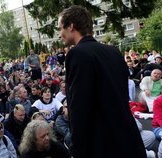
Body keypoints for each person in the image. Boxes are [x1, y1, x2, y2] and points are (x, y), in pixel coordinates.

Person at [59, 5, 146, 157]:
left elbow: (79, 108)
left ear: (71, 26)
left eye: (61, 28)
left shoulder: (76, 54)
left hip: (102, 145)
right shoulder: (113, 51)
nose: (60, 34)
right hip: (128, 138)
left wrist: (77, 150)